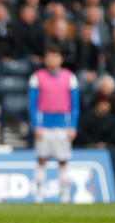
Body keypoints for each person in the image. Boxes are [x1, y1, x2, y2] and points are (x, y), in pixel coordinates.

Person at [28, 45, 79, 204]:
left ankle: (65, 196)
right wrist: (36, 125)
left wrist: (73, 126)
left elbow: (75, 105)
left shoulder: (70, 77)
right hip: (44, 125)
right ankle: (38, 195)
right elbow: (31, 103)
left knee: (63, 160)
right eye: (49, 57)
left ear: (61, 59)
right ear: (45, 59)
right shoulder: (37, 77)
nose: (52, 60)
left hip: (63, 125)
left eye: (55, 57)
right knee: (42, 159)